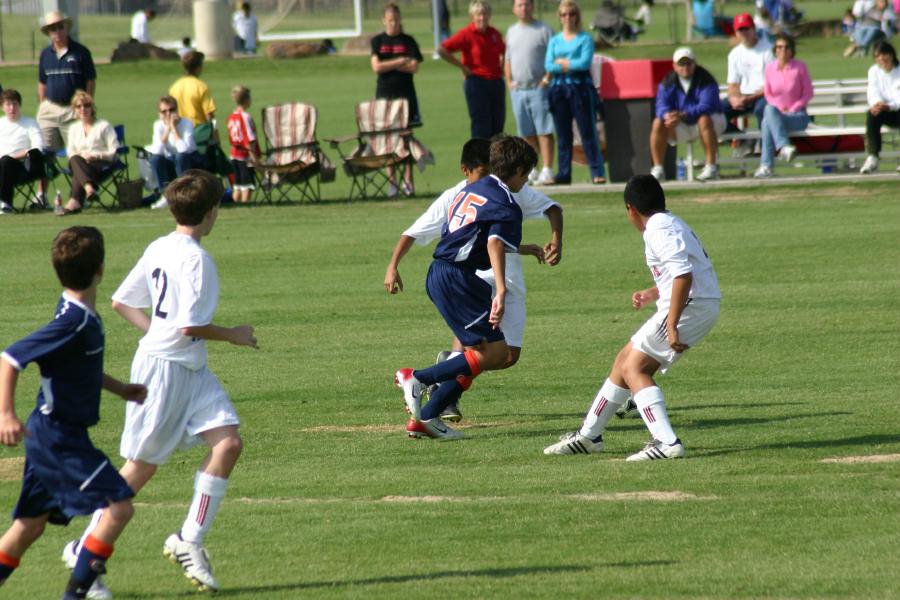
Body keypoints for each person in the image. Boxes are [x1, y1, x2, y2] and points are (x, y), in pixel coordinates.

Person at [64, 171, 258, 595]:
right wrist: (234, 335)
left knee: (228, 444)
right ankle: (84, 553)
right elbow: (190, 325)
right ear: (211, 213)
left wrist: (156, 331)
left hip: (187, 368)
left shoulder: (160, 245)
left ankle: (189, 539)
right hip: (165, 371)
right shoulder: (196, 259)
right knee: (140, 468)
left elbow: (121, 301)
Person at [0, 226, 147, 598]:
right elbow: (11, 357)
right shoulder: (73, 321)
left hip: (49, 433)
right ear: (100, 269)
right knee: (119, 507)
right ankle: (77, 594)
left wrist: (120, 389)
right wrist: (5, 414)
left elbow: (78, 368)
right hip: (58, 438)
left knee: (29, 527)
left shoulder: (74, 310)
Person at [385, 137, 563, 423]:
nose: (527, 180)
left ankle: (426, 418)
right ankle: (417, 378)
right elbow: (493, 242)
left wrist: (519, 248)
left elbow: (470, 235)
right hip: (458, 279)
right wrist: (502, 291)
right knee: (492, 352)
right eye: (527, 173)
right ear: (517, 171)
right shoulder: (506, 203)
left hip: (447, 273)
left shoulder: (471, 189)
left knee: (493, 353)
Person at [544, 175, 720, 460]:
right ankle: (589, 436)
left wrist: (672, 325)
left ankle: (666, 442)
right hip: (695, 301)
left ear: (631, 209)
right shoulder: (669, 222)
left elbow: (683, 275)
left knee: (634, 369)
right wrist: (653, 293)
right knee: (623, 359)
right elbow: (683, 272)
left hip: (692, 305)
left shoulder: (657, 229)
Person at [544, 0, 606, 185]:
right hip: (558, 89)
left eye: (571, 14)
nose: (567, 18)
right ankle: (564, 173)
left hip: (579, 89)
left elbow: (584, 63)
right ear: (560, 17)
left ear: (576, 16)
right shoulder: (554, 40)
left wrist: (563, 63)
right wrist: (568, 64)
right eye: (564, 14)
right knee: (563, 134)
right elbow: (548, 65)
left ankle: (597, 171)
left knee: (587, 132)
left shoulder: (585, 39)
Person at [370, 3, 423, 197]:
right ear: (384, 20)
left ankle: (408, 181)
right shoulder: (377, 41)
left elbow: (414, 67)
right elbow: (377, 67)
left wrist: (389, 64)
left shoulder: (408, 41)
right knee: (388, 140)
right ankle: (392, 182)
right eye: (390, 20)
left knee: (406, 139)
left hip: (406, 95)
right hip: (385, 95)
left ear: (401, 20)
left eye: (396, 20)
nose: (393, 23)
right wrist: (401, 61)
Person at [650, 47, 726, 182]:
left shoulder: (706, 80)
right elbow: (661, 105)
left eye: (688, 63)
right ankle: (658, 169)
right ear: (674, 66)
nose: (685, 67)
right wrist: (668, 116)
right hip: (682, 124)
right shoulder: (668, 82)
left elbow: (706, 106)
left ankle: (711, 167)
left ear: (694, 64)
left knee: (704, 119)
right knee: (658, 122)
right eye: (681, 64)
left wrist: (682, 114)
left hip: (713, 121)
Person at [439, 1, 507, 139]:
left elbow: (504, 51)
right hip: (477, 83)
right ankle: (479, 160)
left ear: (489, 15)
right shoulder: (466, 34)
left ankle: (495, 160)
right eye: (478, 14)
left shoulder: (495, 34)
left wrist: (503, 67)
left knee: (498, 126)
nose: (482, 17)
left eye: (485, 13)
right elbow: (442, 49)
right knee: (482, 126)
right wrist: (462, 66)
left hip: (496, 82)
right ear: (472, 16)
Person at [505, 0, 556, 185]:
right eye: (519, 5)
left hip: (539, 88)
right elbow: (508, 59)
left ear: (533, 6)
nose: (523, 8)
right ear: (514, 8)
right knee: (526, 133)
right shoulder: (511, 31)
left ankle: (548, 169)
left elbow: (554, 56)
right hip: (519, 91)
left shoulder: (544, 30)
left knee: (544, 130)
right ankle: (532, 168)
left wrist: (546, 79)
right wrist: (509, 81)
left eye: (527, 4)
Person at [754, 33, 813, 178]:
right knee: (769, 112)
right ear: (775, 50)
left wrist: (793, 107)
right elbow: (768, 94)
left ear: (791, 50)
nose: (783, 50)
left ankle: (767, 165)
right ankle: (783, 147)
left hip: (797, 115)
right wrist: (780, 108)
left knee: (767, 121)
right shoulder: (769, 69)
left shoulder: (800, 67)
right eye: (779, 47)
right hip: (778, 114)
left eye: (786, 47)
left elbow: (808, 93)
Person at [37, 10, 96, 152]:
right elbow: (42, 83)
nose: (57, 31)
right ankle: (43, 176)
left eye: (60, 27)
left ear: (66, 28)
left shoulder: (81, 52)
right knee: (43, 153)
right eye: (53, 28)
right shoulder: (45, 54)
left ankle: (79, 175)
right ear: (49, 32)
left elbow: (90, 80)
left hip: (73, 109)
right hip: (49, 110)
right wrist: (43, 104)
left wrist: (86, 105)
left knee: (78, 151)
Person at [61, 90, 119, 215]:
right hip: (80, 162)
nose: (83, 109)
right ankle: (89, 189)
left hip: (101, 164)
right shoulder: (73, 128)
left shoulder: (104, 126)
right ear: (75, 110)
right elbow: (70, 151)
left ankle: (74, 201)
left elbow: (114, 152)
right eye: (79, 106)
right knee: (75, 159)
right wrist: (82, 156)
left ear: (92, 108)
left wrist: (96, 155)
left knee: (77, 167)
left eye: (86, 105)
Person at [147, 96, 199, 209]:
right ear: (160, 113)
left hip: (189, 159)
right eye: (164, 111)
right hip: (172, 158)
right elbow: (157, 151)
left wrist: (174, 128)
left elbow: (185, 149)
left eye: (171, 110)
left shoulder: (186, 123)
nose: (168, 114)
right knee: (155, 159)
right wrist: (167, 129)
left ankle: (183, 194)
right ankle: (166, 195)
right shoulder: (158, 125)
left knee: (181, 157)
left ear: (177, 110)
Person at [725, 13, 774, 132]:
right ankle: (742, 142)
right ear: (736, 33)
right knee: (715, 111)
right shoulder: (734, 54)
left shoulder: (768, 50)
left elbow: (772, 83)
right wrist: (734, 98)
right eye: (740, 30)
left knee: (762, 109)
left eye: (747, 29)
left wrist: (751, 98)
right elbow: (733, 84)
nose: (744, 33)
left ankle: (765, 147)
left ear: (753, 29)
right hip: (743, 97)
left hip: (764, 96)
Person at [0, 89, 45, 215]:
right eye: (8, 104)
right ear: (2, 106)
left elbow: (38, 147)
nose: (11, 108)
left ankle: (5, 203)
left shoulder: (30, 123)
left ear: (19, 105)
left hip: (21, 166)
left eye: (14, 104)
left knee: (6, 161)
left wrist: (18, 154)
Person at [860, 40, 900, 173]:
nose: (882, 58)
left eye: (884, 54)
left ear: (892, 54)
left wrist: (888, 106)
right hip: (885, 110)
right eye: (877, 56)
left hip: (896, 110)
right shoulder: (873, 71)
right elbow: (873, 92)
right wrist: (877, 104)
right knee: (872, 114)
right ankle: (873, 157)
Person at [226, 86, 260, 203]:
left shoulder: (231, 116)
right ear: (246, 100)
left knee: (237, 186)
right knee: (247, 187)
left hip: (233, 155)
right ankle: (245, 206)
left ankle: (235, 205)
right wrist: (255, 159)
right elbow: (249, 140)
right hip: (244, 157)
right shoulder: (245, 117)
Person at [169, 51, 216, 127]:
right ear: (198, 68)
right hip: (198, 132)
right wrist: (215, 134)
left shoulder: (174, 87)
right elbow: (209, 115)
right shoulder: (201, 87)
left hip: (180, 131)